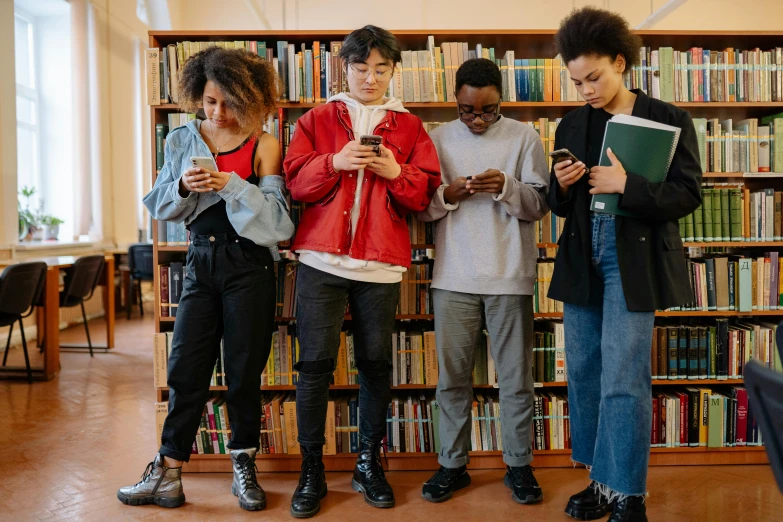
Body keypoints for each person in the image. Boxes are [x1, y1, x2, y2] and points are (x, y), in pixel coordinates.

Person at [118, 46, 295, 512]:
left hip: (250, 267)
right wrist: (181, 187)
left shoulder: (266, 143)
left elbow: (279, 225)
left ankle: (243, 465)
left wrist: (231, 186)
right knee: (186, 371)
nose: (219, 112)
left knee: (243, 374)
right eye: (211, 101)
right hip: (198, 264)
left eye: (230, 102)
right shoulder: (180, 140)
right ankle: (168, 472)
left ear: (252, 99)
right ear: (198, 93)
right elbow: (157, 204)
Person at [549, 7, 702, 522]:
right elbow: (557, 204)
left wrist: (627, 187)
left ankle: (629, 494)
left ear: (621, 62)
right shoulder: (571, 122)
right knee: (586, 374)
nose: (586, 90)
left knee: (624, 375)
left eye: (594, 77)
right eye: (576, 81)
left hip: (630, 258)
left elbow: (687, 194)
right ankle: (601, 481)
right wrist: (563, 185)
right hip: (581, 257)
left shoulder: (668, 118)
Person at [283, 25, 441, 518]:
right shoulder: (316, 119)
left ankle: (368, 463)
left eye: (381, 69)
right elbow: (295, 184)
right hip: (320, 261)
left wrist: (396, 172)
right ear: (344, 68)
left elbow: (423, 196)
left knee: (376, 365)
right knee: (314, 367)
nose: (370, 77)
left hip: (380, 266)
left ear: (394, 71)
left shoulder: (412, 128)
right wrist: (335, 161)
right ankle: (312, 469)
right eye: (360, 67)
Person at [417, 58, 550, 506]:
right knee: (452, 380)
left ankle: (518, 466)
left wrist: (507, 186)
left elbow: (537, 206)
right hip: (453, 276)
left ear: (501, 101)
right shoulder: (435, 139)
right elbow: (420, 209)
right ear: (455, 99)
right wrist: (447, 196)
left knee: (516, 380)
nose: (476, 120)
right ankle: (452, 466)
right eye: (467, 110)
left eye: (488, 110)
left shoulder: (524, 137)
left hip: (510, 275)